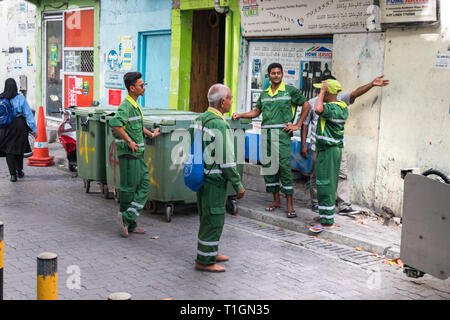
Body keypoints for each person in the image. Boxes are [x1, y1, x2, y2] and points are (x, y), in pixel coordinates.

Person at [301, 75, 389, 215]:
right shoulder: (312, 103)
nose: (321, 90)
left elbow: (355, 93)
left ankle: (344, 205)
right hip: (318, 147)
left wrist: (371, 84)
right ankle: (317, 203)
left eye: (323, 87)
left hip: (336, 146)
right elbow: (305, 125)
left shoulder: (339, 101)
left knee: (341, 174)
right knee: (317, 176)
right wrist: (303, 144)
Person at [232, 63, 310, 218]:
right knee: (269, 167)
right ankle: (276, 201)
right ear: (268, 75)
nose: (276, 75)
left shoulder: (290, 91)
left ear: (282, 75)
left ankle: (289, 204)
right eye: (273, 73)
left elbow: (306, 105)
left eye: (279, 73)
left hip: (281, 136)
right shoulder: (265, 93)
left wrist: (297, 125)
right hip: (266, 135)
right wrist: (240, 115)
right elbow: (256, 111)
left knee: (284, 169)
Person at [193, 84, 245, 273]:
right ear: (223, 102)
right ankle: (204, 261)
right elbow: (226, 158)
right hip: (215, 180)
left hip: (202, 176)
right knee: (213, 218)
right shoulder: (219, 124)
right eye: (230, 98)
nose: (231, 101)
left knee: (207, 216)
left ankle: (210, 252)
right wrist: (238, 184)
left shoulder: (200, 118)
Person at [110, 72, 160, 237]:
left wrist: (151, 134)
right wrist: (130, 141)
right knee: (135, 187)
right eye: (141, 86)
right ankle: (127, 218)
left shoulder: (134, 104)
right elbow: (116, 125)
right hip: (129, 153)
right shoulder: (126, 106)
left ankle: (129, 222)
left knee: (136, 187)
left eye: (143, 84)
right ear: (132, 88)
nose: (143, 88)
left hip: (135, 154)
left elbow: (137, 125)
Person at [308, 79, 348, 232]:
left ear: (329, 92)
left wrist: (322, 92)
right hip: (328, 150)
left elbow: (317, 109)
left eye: (323, 90)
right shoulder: (338, 107)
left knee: (326, 183)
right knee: (325, 182)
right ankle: (326, 214)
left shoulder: (333, 108)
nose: (320, 93)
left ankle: (327, 221)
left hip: (329, 150)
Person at [0, 78, 37, 182]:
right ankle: (19, 171)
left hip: (6, 126)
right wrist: (34, 129)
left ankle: (13, 175)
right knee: (19, 149)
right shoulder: (20, 98)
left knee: (9, 150)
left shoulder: (1, 97)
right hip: (20, 125)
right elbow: (28, 114)